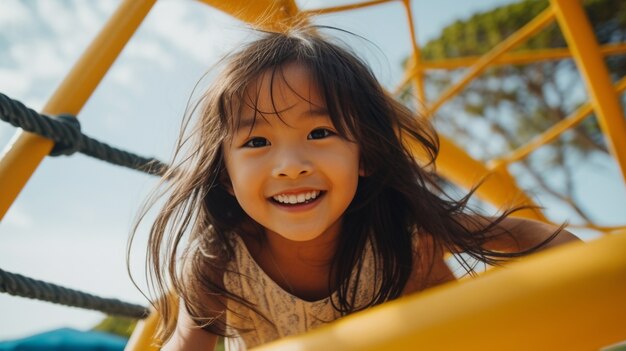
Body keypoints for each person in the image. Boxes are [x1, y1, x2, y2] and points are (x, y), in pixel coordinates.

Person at [130, 26, 579, 351]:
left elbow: (536, 238)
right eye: (257, 142)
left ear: (363, 155)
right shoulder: (220, 262)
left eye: (320, 133)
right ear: (225, 175)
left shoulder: (407, 232)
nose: (290, 167)